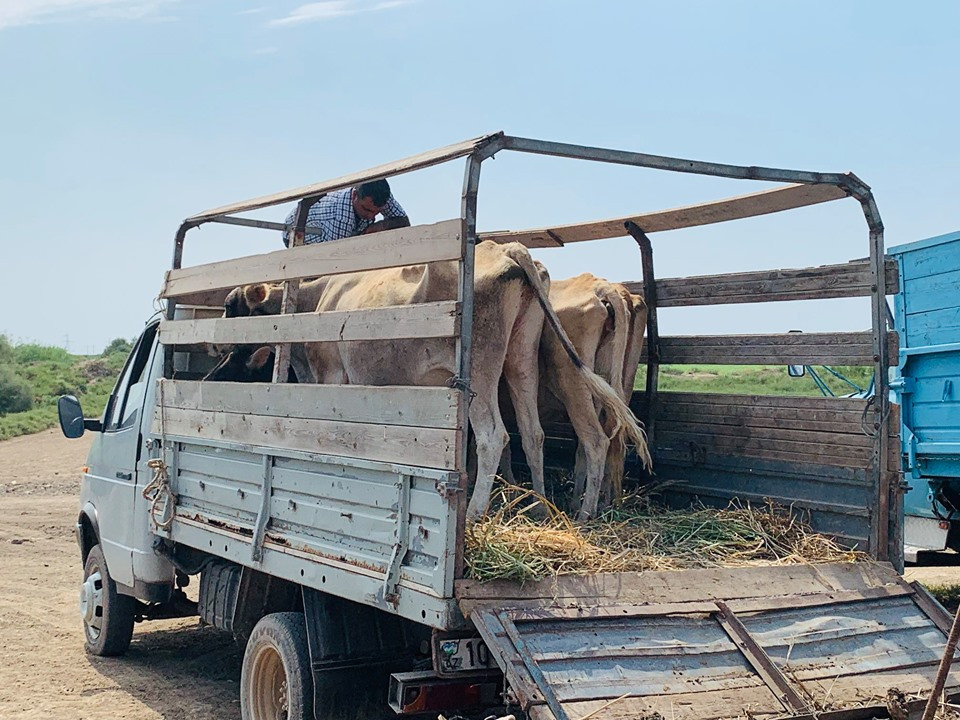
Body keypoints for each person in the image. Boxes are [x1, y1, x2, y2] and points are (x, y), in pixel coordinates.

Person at [282, 178, 410, 246]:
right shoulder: (341, 220)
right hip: (296, 232)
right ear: (354, 195)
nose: (370, 216)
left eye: (377, 213)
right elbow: (336, 259)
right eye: (366, 209)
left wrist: (379, 226)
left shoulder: (381, 196)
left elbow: (403, 222)